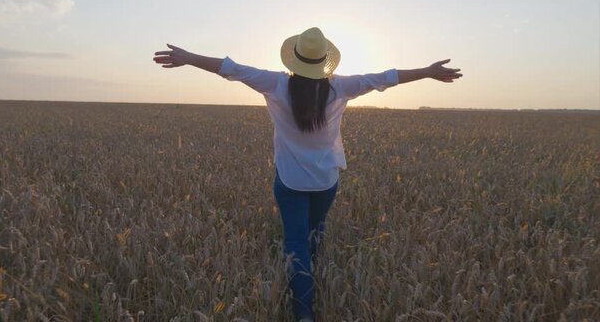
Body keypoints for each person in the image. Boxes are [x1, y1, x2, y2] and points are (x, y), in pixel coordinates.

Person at [153, 27, 462, 322]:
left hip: (289, 181)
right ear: (324, 62)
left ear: (294, 58)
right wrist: (428, 71)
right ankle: (313, 274)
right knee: (315, 231)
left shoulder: (275, 84)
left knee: (295, 242)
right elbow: (385, 78)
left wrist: (189, 57)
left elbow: (230, 68)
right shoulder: (341, 86)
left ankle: (304, 312)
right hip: (326, 181)